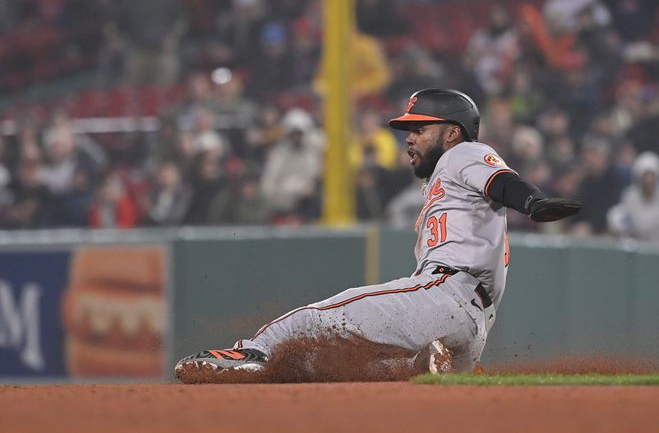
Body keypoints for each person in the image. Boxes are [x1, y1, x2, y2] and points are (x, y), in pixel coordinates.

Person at [174, 88, 581, 383]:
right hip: (472, 329)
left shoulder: (464, 153)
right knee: (352, 372)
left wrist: (533, 202)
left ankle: (251, 350)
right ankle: (423, 364)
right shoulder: (444, 181)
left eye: (421, 128)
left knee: (325, 316)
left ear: (452, 133)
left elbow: (502, 181)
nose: (410, 137)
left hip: (446, 293)